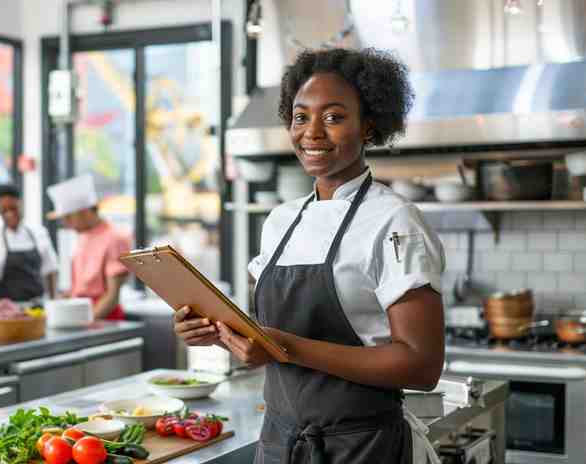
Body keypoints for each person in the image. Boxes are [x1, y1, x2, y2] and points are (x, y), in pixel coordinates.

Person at [174, 48, 446, 463]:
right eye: (301, 117)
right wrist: (221, 333)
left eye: (334, 117)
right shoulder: (281, 221)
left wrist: (286, 347)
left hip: (361, 447)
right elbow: (269, 336)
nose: (312, 132)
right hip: (282, 443)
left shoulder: (395, 221)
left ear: (369, 126)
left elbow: (422, 366)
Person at [46, 174, 132, 320]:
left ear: (85, 211)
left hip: (105, 319)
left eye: (68, 217)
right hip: (81, 315)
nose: (66, 224)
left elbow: (112, 297)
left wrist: (86, 323)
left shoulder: (115, 238)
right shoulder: (83, 237)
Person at [0, 184, 58, 305]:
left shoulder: (39, 233)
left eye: (13, 208)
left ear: (21, 204)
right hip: (8, 310)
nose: (9, 214)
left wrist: (53, 300)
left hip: (39, 306)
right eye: (4, 211)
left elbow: (51, 270)